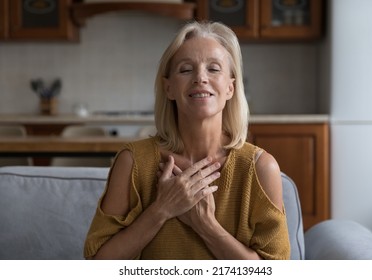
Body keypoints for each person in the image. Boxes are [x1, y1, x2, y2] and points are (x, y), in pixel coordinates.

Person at [83, 21, 290, 260]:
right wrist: (162, 209)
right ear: (168, 88)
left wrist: (206, 225)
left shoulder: (261, 168)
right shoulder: (132, 162)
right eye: (185, 69)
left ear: (230, 88)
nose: (200, 78)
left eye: (213, 69)